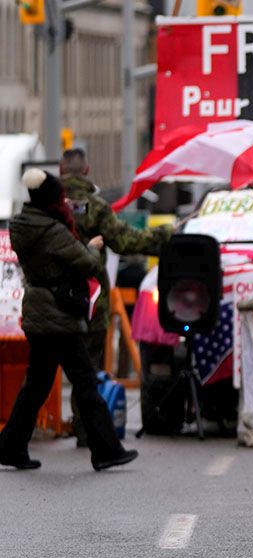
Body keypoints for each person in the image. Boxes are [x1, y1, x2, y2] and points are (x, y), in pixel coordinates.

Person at [0, 169, 138, 472]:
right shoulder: (53, 231)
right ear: (52, 199)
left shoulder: (22, 225)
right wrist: (93, 247)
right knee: (85, 381)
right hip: (58, 315)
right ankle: (106, 449)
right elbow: (87, 263)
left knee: (36, 385)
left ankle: (10, 446)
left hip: (37, 311)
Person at [60, 148, 170, 446]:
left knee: (43, 372)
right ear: (87, 170)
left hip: (51, 299)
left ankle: (24, 430)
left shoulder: (47, 205)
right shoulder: (95, 207)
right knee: (89, 368)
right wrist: (163, 237)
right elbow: (125, 240)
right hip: (90, 299)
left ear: (60, 170)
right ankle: (87, 431)